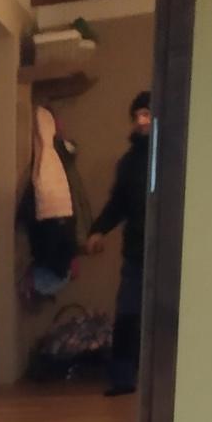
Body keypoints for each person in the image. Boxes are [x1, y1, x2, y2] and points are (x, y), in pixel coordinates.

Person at [87, 89, 152, 396]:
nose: (141, 121)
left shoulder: (176, 155)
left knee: (167, 317)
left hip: (170, 253)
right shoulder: (129, 162)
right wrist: (98, 230)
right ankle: (123, 379)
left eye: (147, 114)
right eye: (137, 115)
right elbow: (118, 204)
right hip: (136, 252)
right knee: (127, 315)